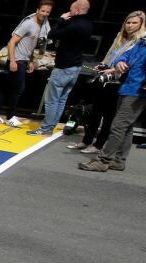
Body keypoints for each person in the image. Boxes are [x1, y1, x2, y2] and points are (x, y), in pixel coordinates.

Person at [69, 11, 145, 153]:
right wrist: (104, 65)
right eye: (128, 22)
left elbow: (132, 63)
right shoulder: (120, 37)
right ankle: (86, 141)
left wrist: (114, 70)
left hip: (121, 82)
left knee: (109, 116)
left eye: (134, 23)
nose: (130, 25)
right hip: (106, 78)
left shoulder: (140, 41)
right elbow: (111, 55)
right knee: (95, 112)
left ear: (141, 25)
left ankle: (98, 145)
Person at [79, 35, 146, 171]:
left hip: (138, 91)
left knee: (118, 126)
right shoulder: (141, 42)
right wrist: (121, 61)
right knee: (126, 127)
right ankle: (119, 161)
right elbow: (126, 54)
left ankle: (103, 161)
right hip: (127, 87)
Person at [29, 0, 92, 136]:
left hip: (64, 67)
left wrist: (61, 19)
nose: (69, 12)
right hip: (75, 67)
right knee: (62, 99)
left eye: (70, 10)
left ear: (76, 10)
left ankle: (46, 128)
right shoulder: (88, 24)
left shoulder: (75, 25)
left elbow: (51, 34)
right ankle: (50, 127)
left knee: (52, 100)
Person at [0, 0, 54, 127]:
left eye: (48, 12)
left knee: (6, 87)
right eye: (43, 11)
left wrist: (30, 61)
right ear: (37, 10)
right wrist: (13, 61)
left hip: (24, 59)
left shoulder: (41, 26)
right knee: (18, 89)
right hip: (17, 60)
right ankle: (10, 116)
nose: (45, 14)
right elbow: (11, 42)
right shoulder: (29, 24)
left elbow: (30, 46)